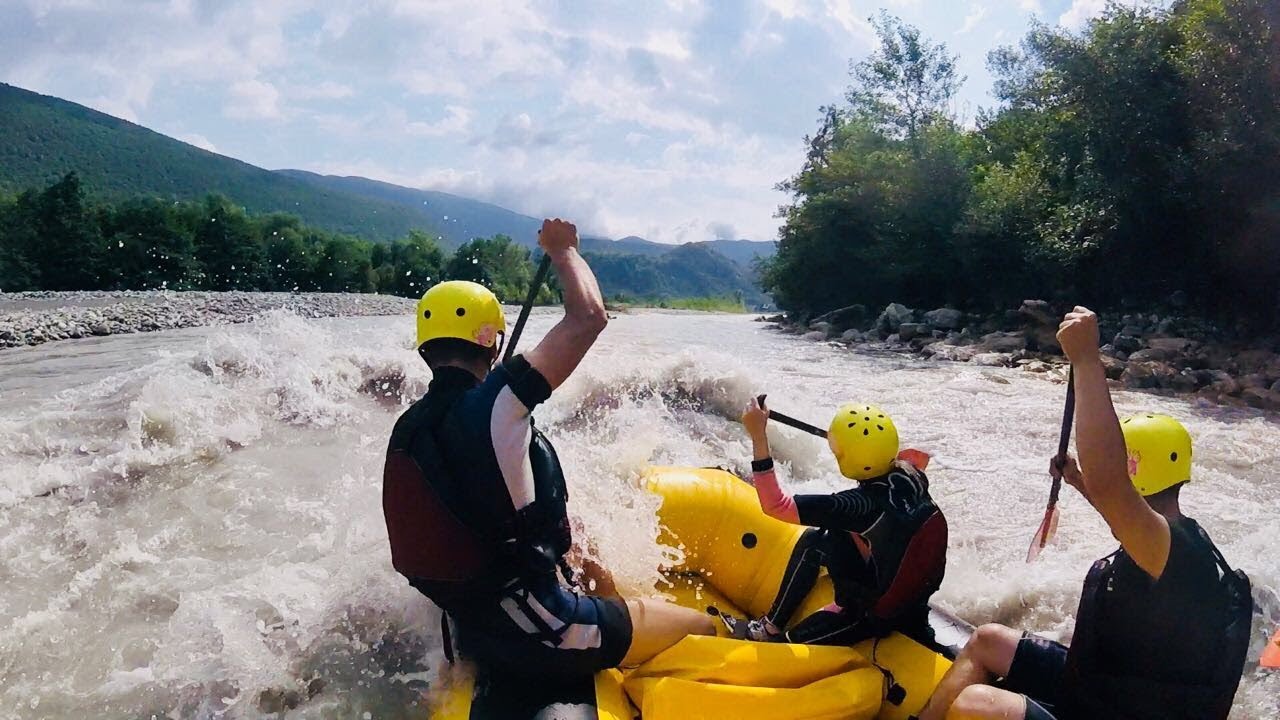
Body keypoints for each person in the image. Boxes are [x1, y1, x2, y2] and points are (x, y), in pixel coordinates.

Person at [381, 218, 714, 680]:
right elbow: (589, 317)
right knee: (704, 627)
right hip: (541, 629)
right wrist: (563, 251)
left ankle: (613, 614)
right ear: (491, 341)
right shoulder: (495, 405)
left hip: (475, 620)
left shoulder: (411, 426)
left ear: (425, 348)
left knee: (581, 541)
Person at [918, 306, 1252, 720]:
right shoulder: (1166, 537)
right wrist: (1078, 481)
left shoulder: (1175, 552)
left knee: (976, 706)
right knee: (987, 639)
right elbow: (1118, 509)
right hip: (1110, 687)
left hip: (1122, 710)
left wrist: (1087, 360)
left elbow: (1112, 485)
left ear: (1130, 468)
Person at [720, 396, 948, 646]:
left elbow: (776, 505)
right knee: (817, 540)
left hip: (879, 612)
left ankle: (776, 637)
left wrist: (758, 437)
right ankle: (772, 624)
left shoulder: (857, 506)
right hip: (904, 586)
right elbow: (917, 458)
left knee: (786, 648)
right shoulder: (911, 473)